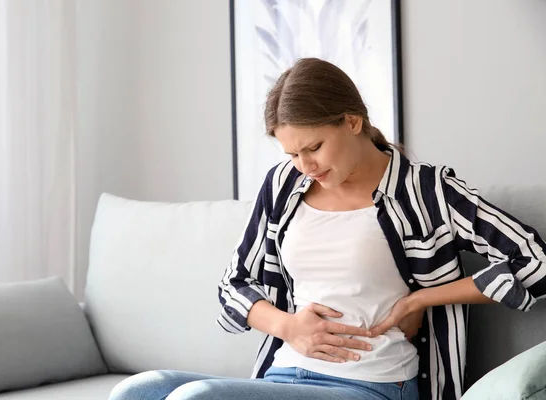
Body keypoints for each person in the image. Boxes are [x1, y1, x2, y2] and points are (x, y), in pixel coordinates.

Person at [109, 58, 546, 400]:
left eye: (313, 147)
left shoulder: (424, 189)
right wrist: (289, 327)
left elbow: (535, 261)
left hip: (371, 384)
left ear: (352, 121)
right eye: (293, 153)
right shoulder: (284, 184)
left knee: (197, 398)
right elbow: (233, 286)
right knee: (138, 390)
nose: (306, 165)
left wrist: (423, 298)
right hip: (283, 375)